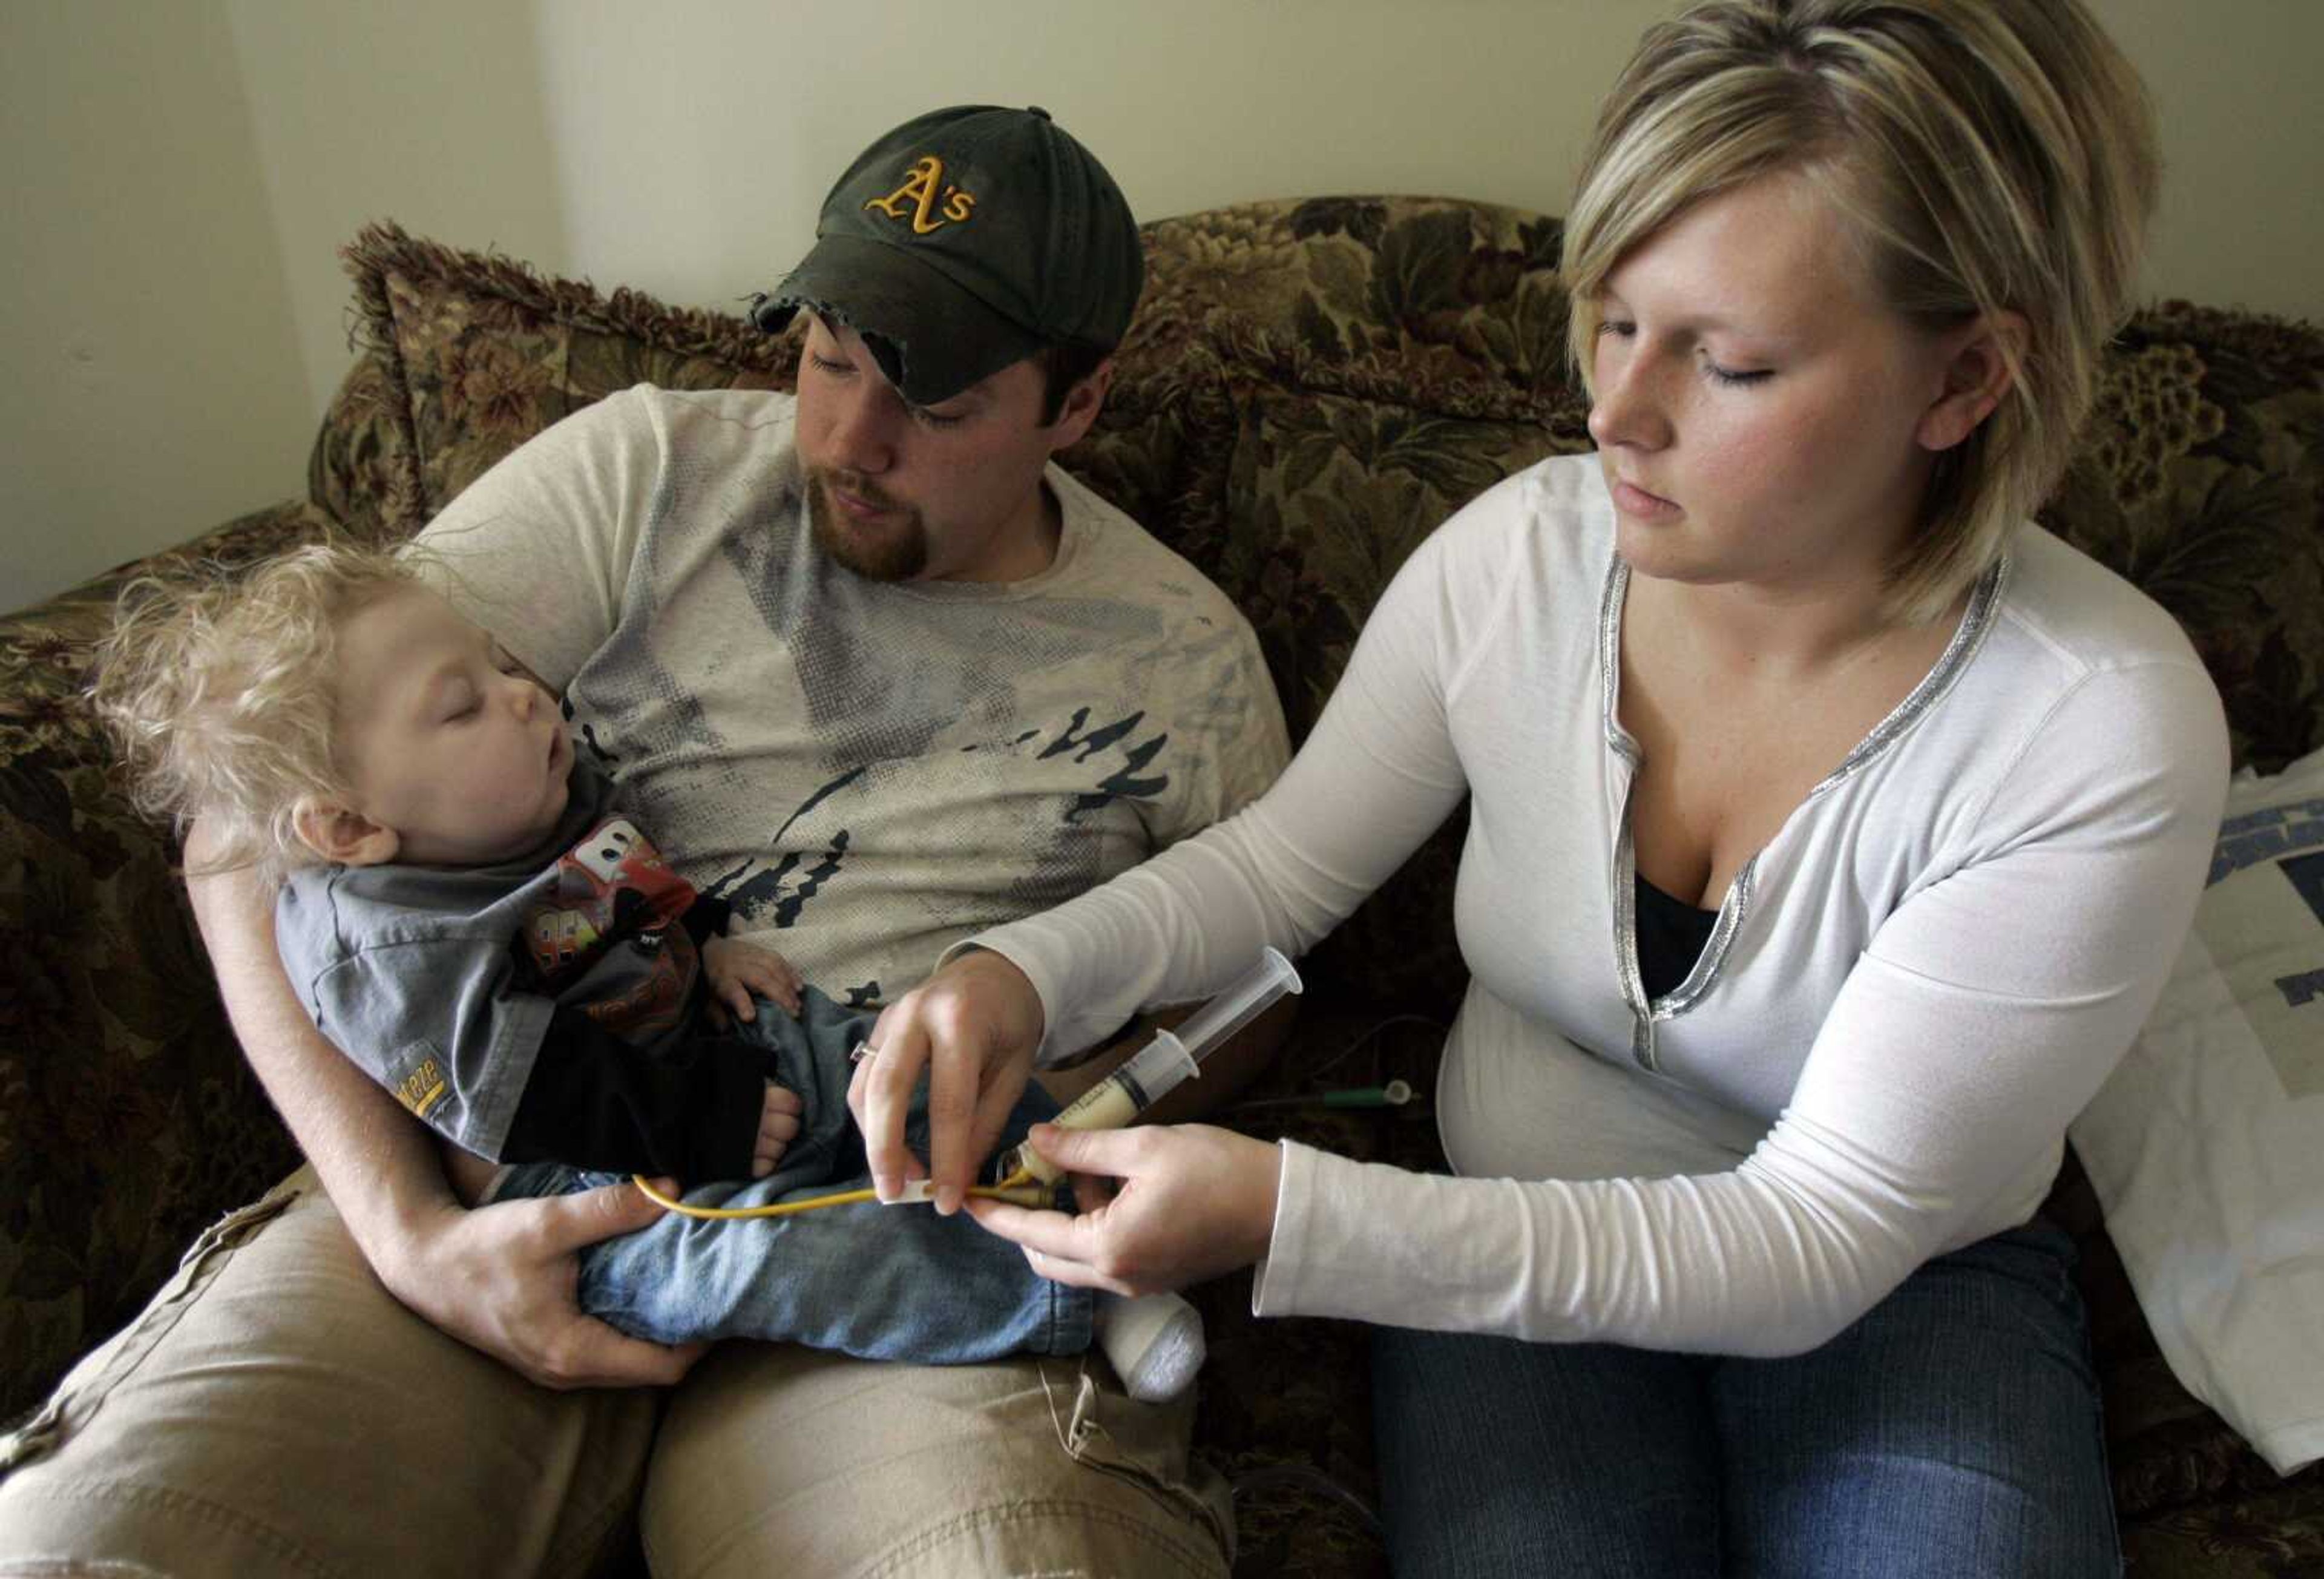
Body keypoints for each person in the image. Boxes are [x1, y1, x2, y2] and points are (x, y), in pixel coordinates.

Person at [862, 6, 2228, 1575]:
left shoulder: (2092, 728)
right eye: (1614, 316)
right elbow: (1277, 873)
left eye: (1729, 360)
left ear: (1968, 379)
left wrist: (1295, 1219)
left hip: (1903, 1282)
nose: (1616, 411)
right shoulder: (1523, 557)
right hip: (1511, 1213)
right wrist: (1012, 975)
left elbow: (1817, 1238)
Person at [0, 105, 1287, 1575]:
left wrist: (1020, 1138)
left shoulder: (1186, 660)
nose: (849, 441)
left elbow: (1252, 983)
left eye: (933, 407)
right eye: (827, 360)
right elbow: (251, 812)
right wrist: (412, 1237)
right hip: (495, 1183)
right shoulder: (643, 467)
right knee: (103, 1544)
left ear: (1077, 402)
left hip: (894, 1254)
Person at [88, 544, 1206, 1396]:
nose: (522, 694)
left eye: (497, 662)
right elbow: (534, 1094)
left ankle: (1100, 1191)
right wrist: (705, 1120)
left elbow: (613, 874)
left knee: (915, 1065)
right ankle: (1069, 1295)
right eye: (463, 703)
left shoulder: (507, 793)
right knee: (799, 1245)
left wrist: (708, 940)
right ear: (348, 826)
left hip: (713, 1052)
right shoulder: (388, 951)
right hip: (596, 1179)